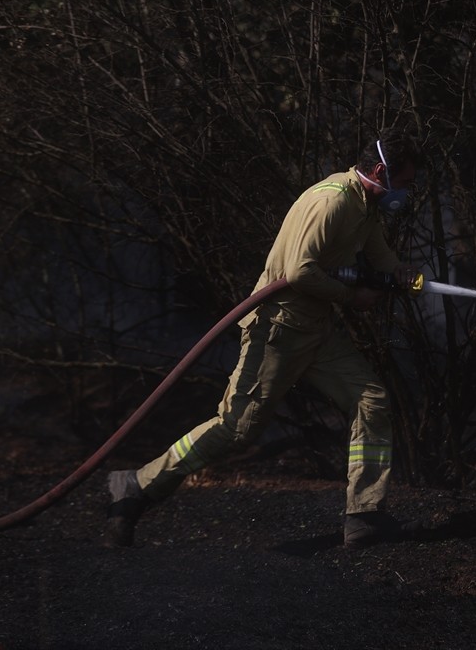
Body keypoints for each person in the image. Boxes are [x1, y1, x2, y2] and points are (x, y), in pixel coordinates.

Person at [105, 130, 423, 549]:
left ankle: (364, 513)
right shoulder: (331, 201)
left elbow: (378, 252)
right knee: (237, 429)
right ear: (381, 171)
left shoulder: (365, 207)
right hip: (277, 329)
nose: (405, 192)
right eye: (403, 182)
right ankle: (137, 485)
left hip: (316, 330)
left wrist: (398, 271)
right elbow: (300, 272)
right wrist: (352, 297)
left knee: (372, 401)